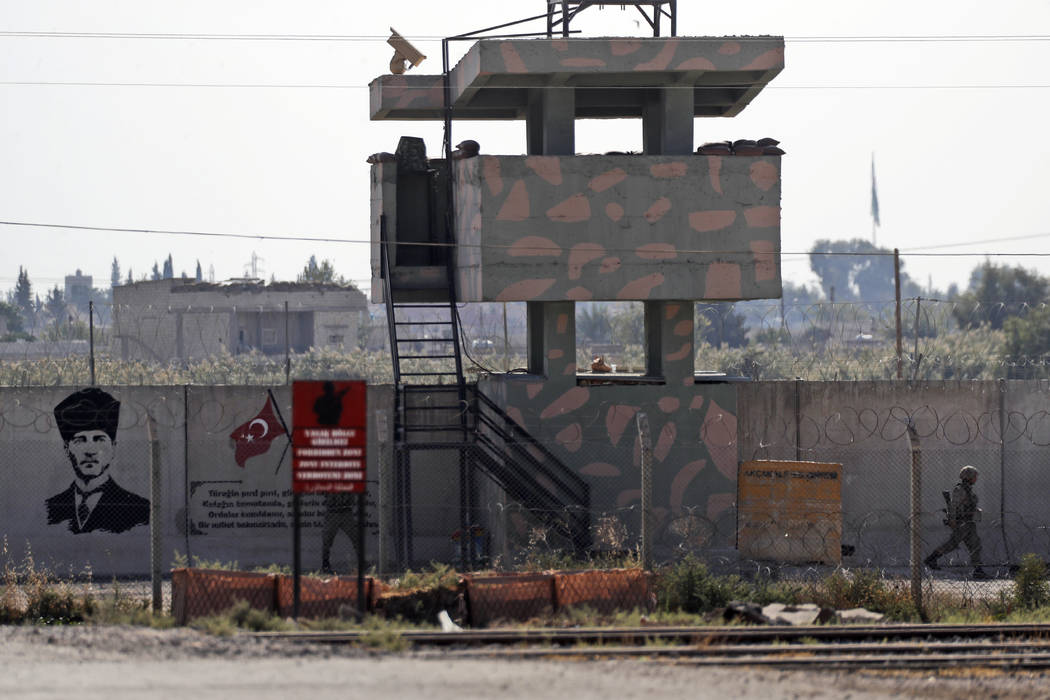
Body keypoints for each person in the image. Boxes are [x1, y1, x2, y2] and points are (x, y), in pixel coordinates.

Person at [46, 388, 150, 534]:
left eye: (99, 439)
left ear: (113, 447)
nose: (90, 451)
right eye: (80, 440)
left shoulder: (139, 509)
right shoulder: (52, 508)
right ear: (66, 449)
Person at [925, 465, 986, 579]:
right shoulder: (960, 490)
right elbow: (953, 506)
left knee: (975, 545)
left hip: (969, 522)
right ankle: (931, 559)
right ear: (969, 477)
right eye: (974, 476)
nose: (976, 479)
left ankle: (978, 570)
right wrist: (952, 520)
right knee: (952, 544)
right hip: (962, 523)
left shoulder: (968, 489)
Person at [320, 493, 359, 574]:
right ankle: (325, 564)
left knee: (355, 537)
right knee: (327, 539)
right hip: (332, 512)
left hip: (346, 512)